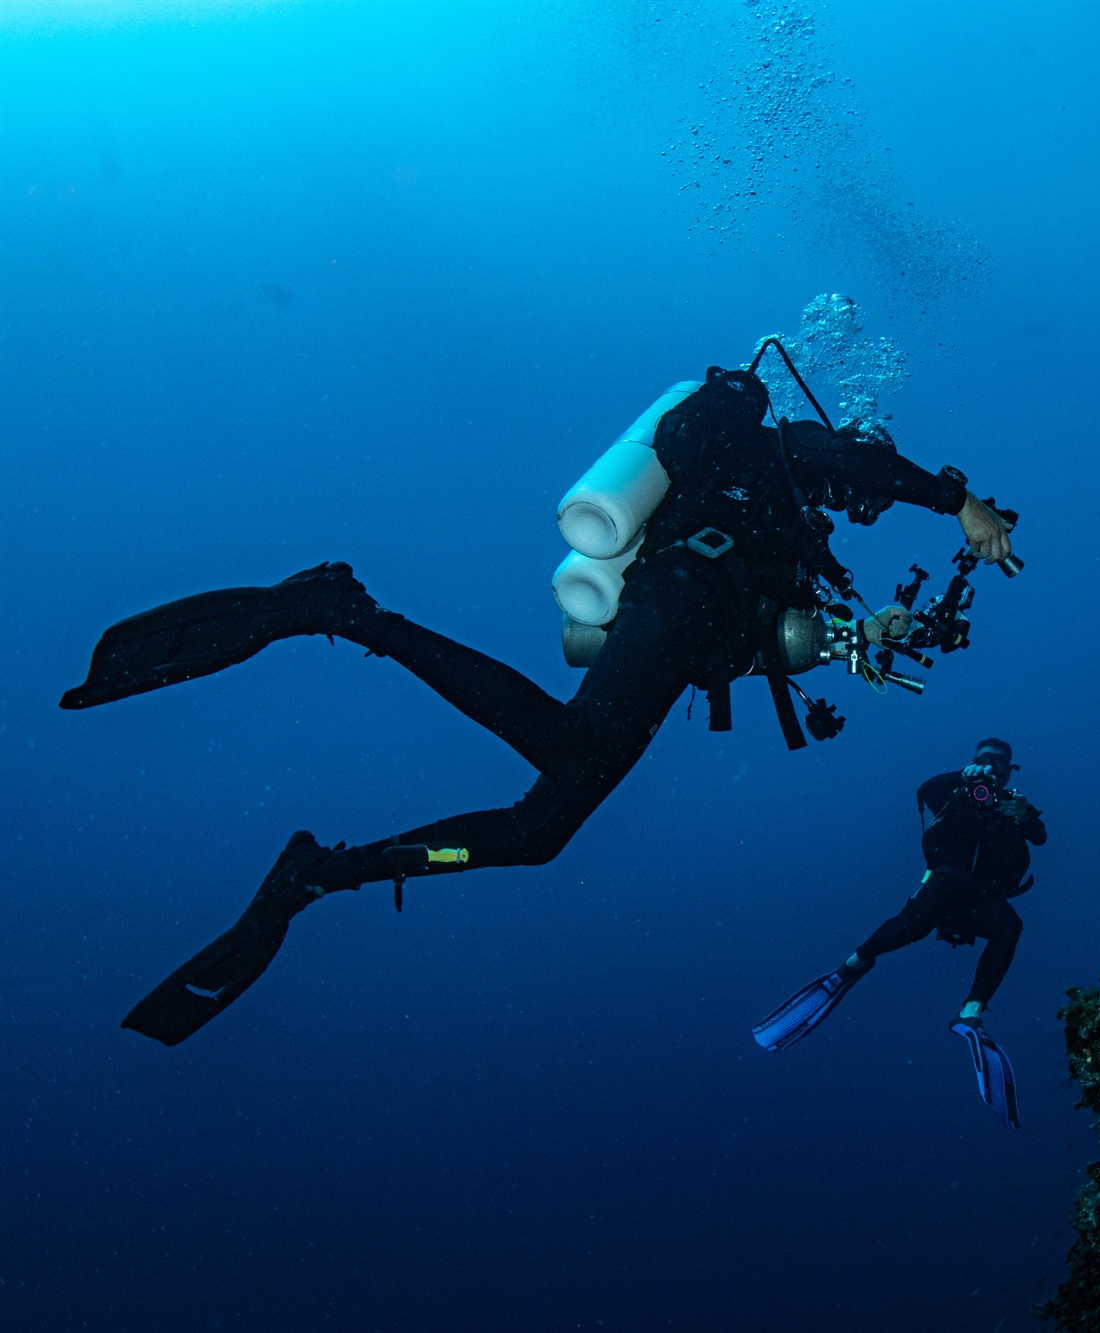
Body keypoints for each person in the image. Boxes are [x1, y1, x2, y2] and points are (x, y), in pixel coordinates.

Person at [61, 367, 1013, 1046]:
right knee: (570, 750)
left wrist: (864, 633)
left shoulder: (788, 508)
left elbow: (787, 629)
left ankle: (330, 872)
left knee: (541, 827)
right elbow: (863, 478)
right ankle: (343, 611)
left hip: (693, 621)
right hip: (682, 594)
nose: (863, 499)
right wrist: (954, 500)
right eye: (863, 470)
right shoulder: (788, 454)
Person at [752, 738, 1044, 1127]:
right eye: (983, 762)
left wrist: (1022, 815)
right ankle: (852, 965)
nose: (991, 770)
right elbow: (925, 790)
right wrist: (962, 777)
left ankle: (971, 1012)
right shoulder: (953, 789)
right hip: (945, 883)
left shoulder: (1014, 804)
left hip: (984, 897)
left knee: (1010, 926)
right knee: (913, 925)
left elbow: (1040, 835)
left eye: (1000, 765)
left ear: (1011, 771)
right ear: (972, 762)